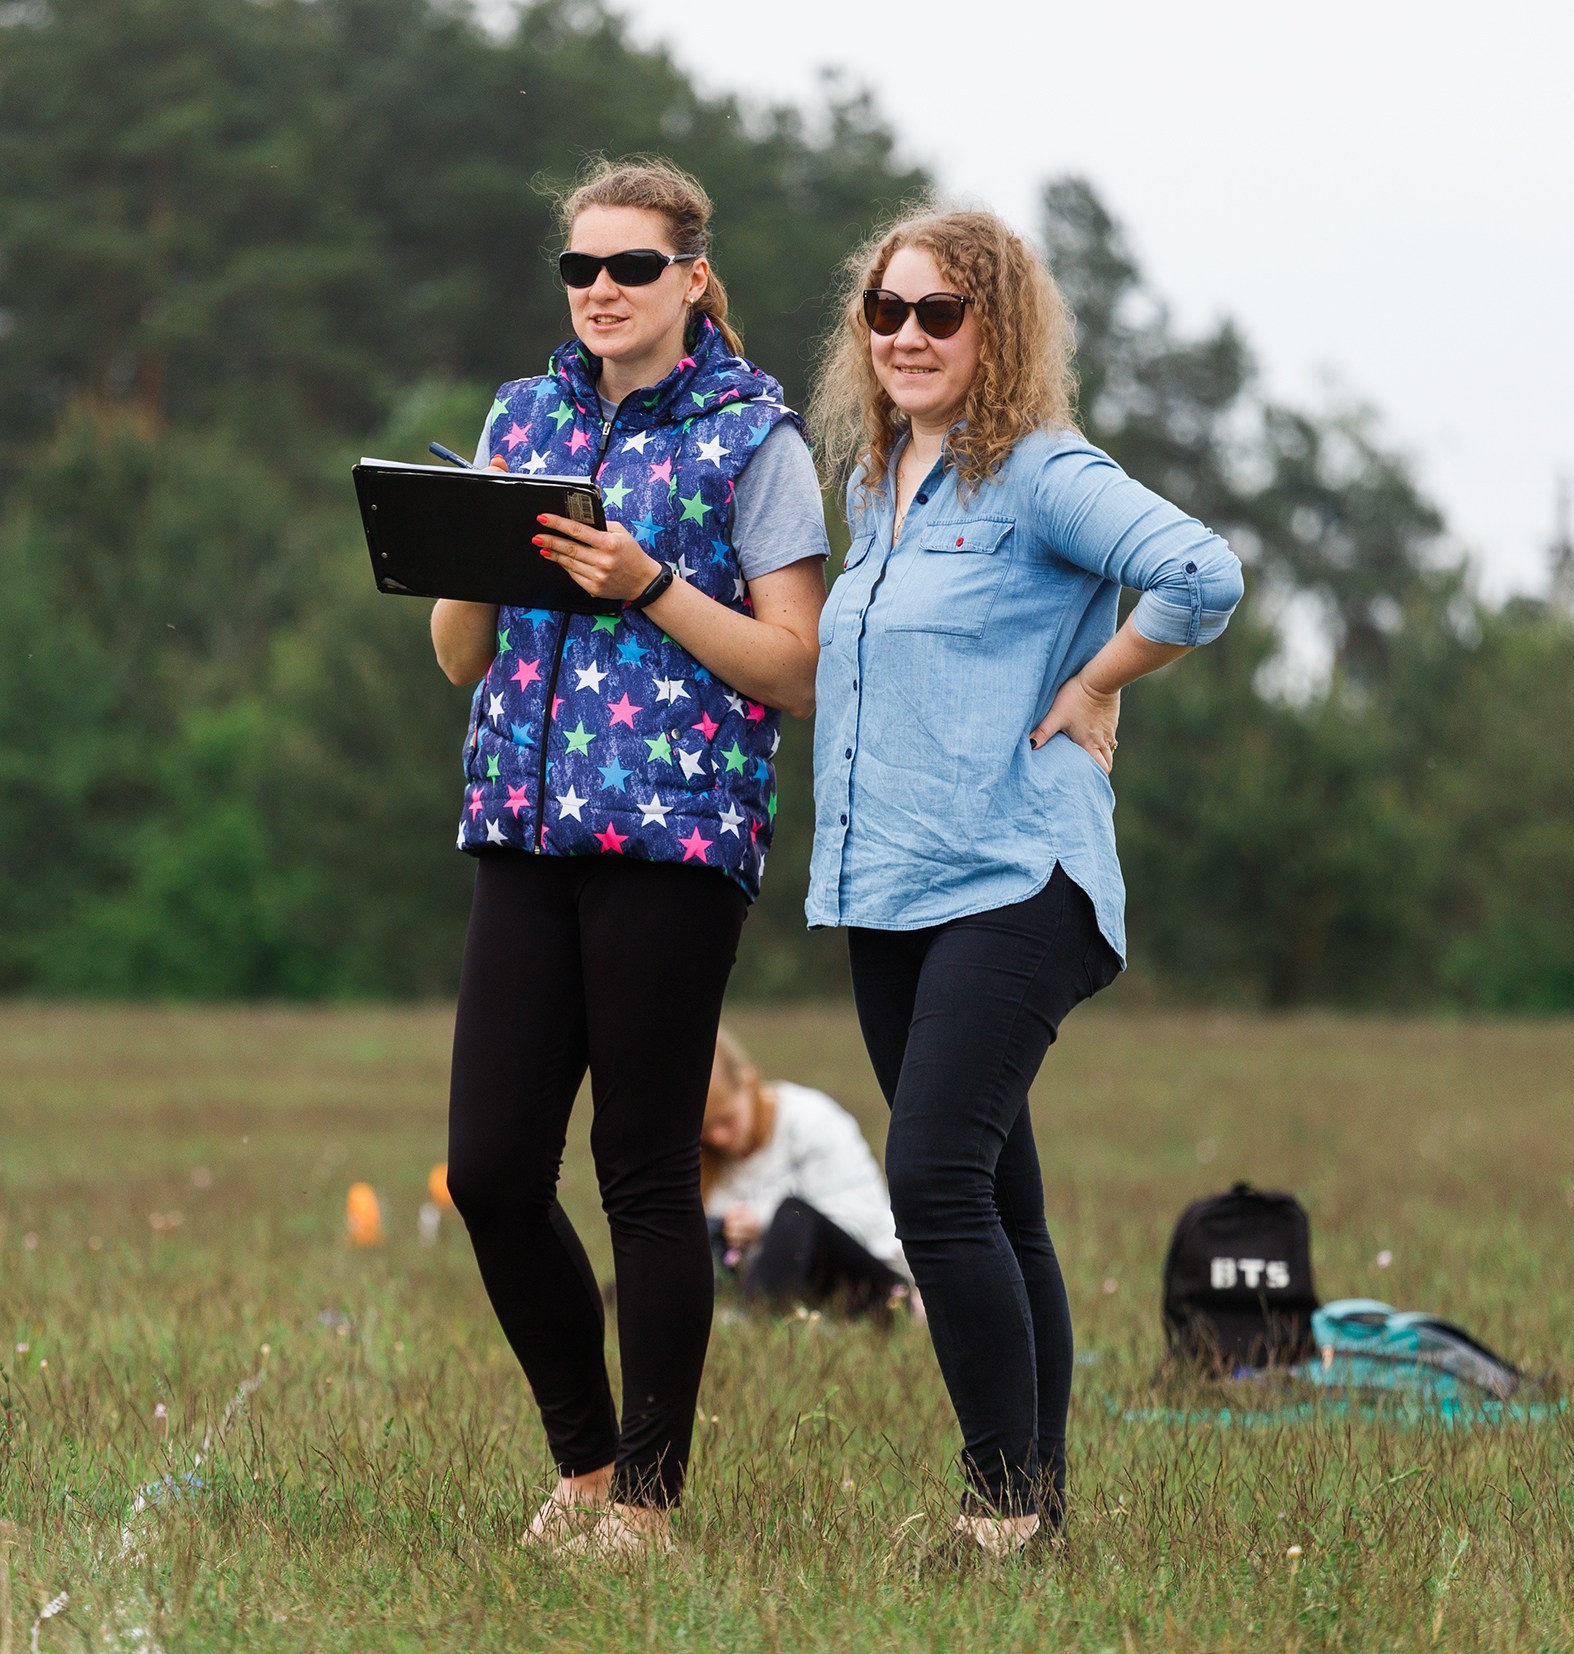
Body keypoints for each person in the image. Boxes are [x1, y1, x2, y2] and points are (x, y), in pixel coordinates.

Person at [805, 207, 1245, 1558]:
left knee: (932, 1181)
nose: (911, 336)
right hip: (889, 885)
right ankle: (1039, 1507)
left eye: (943, 312)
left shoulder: (1042, 470)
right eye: (889, 311)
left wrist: (1100, 678)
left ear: (996, 328)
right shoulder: (873, 490)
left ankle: (995, 1512)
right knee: (997, 1199)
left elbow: (1200, 570)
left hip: (1015, 870)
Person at [429, 157, 829, 1558]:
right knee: (487, 1168)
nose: (603, 292)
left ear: (693, 278)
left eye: (633, 268)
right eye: (581, 271)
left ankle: (645, 1504)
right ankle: (583, 1460)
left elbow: (796, 668)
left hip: (673, 834)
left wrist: (646, 582)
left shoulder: (751, 438)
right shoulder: (522, 416)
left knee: (645, 1169)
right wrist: (471, 547)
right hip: (521, 826)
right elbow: (462, 656)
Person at [700, 1030, 909, 1316]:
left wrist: (765, 1224)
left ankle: (747, 1321)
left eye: (726, 1120)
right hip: (771, 1289)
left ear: (748, 1084)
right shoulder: (706, 1156)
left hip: (875, 1279)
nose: (718, 1138)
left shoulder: (811, 1120)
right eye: (706, 1130)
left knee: (793, 1216)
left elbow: (861, 1220)